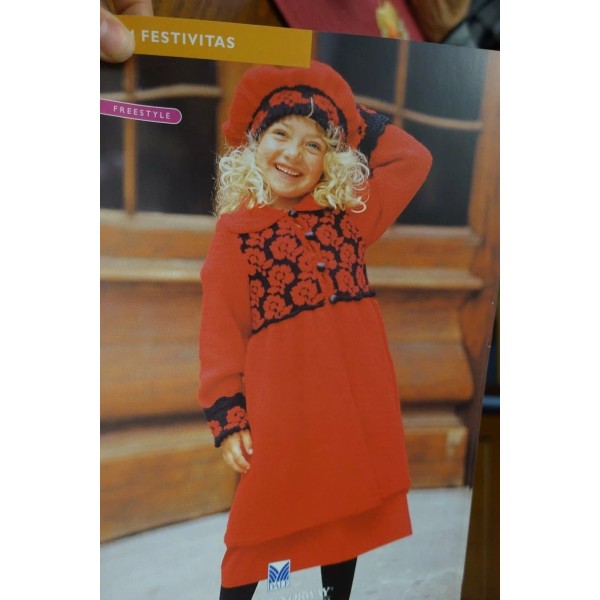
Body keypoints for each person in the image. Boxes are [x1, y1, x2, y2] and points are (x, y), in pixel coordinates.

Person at [198, 60, 432, 600]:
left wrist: (349, 117)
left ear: (332, 159)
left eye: (314, 144)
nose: (293, 154)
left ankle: (331, 596)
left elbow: (413, 158)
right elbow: (219, 333)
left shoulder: (347, 217)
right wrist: (229, 418)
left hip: (350, 407)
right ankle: (273, 588)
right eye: (280, 134)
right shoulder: (235, 234)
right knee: (257, 537)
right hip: (281, 415)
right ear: (254, 144)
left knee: (346, 515)